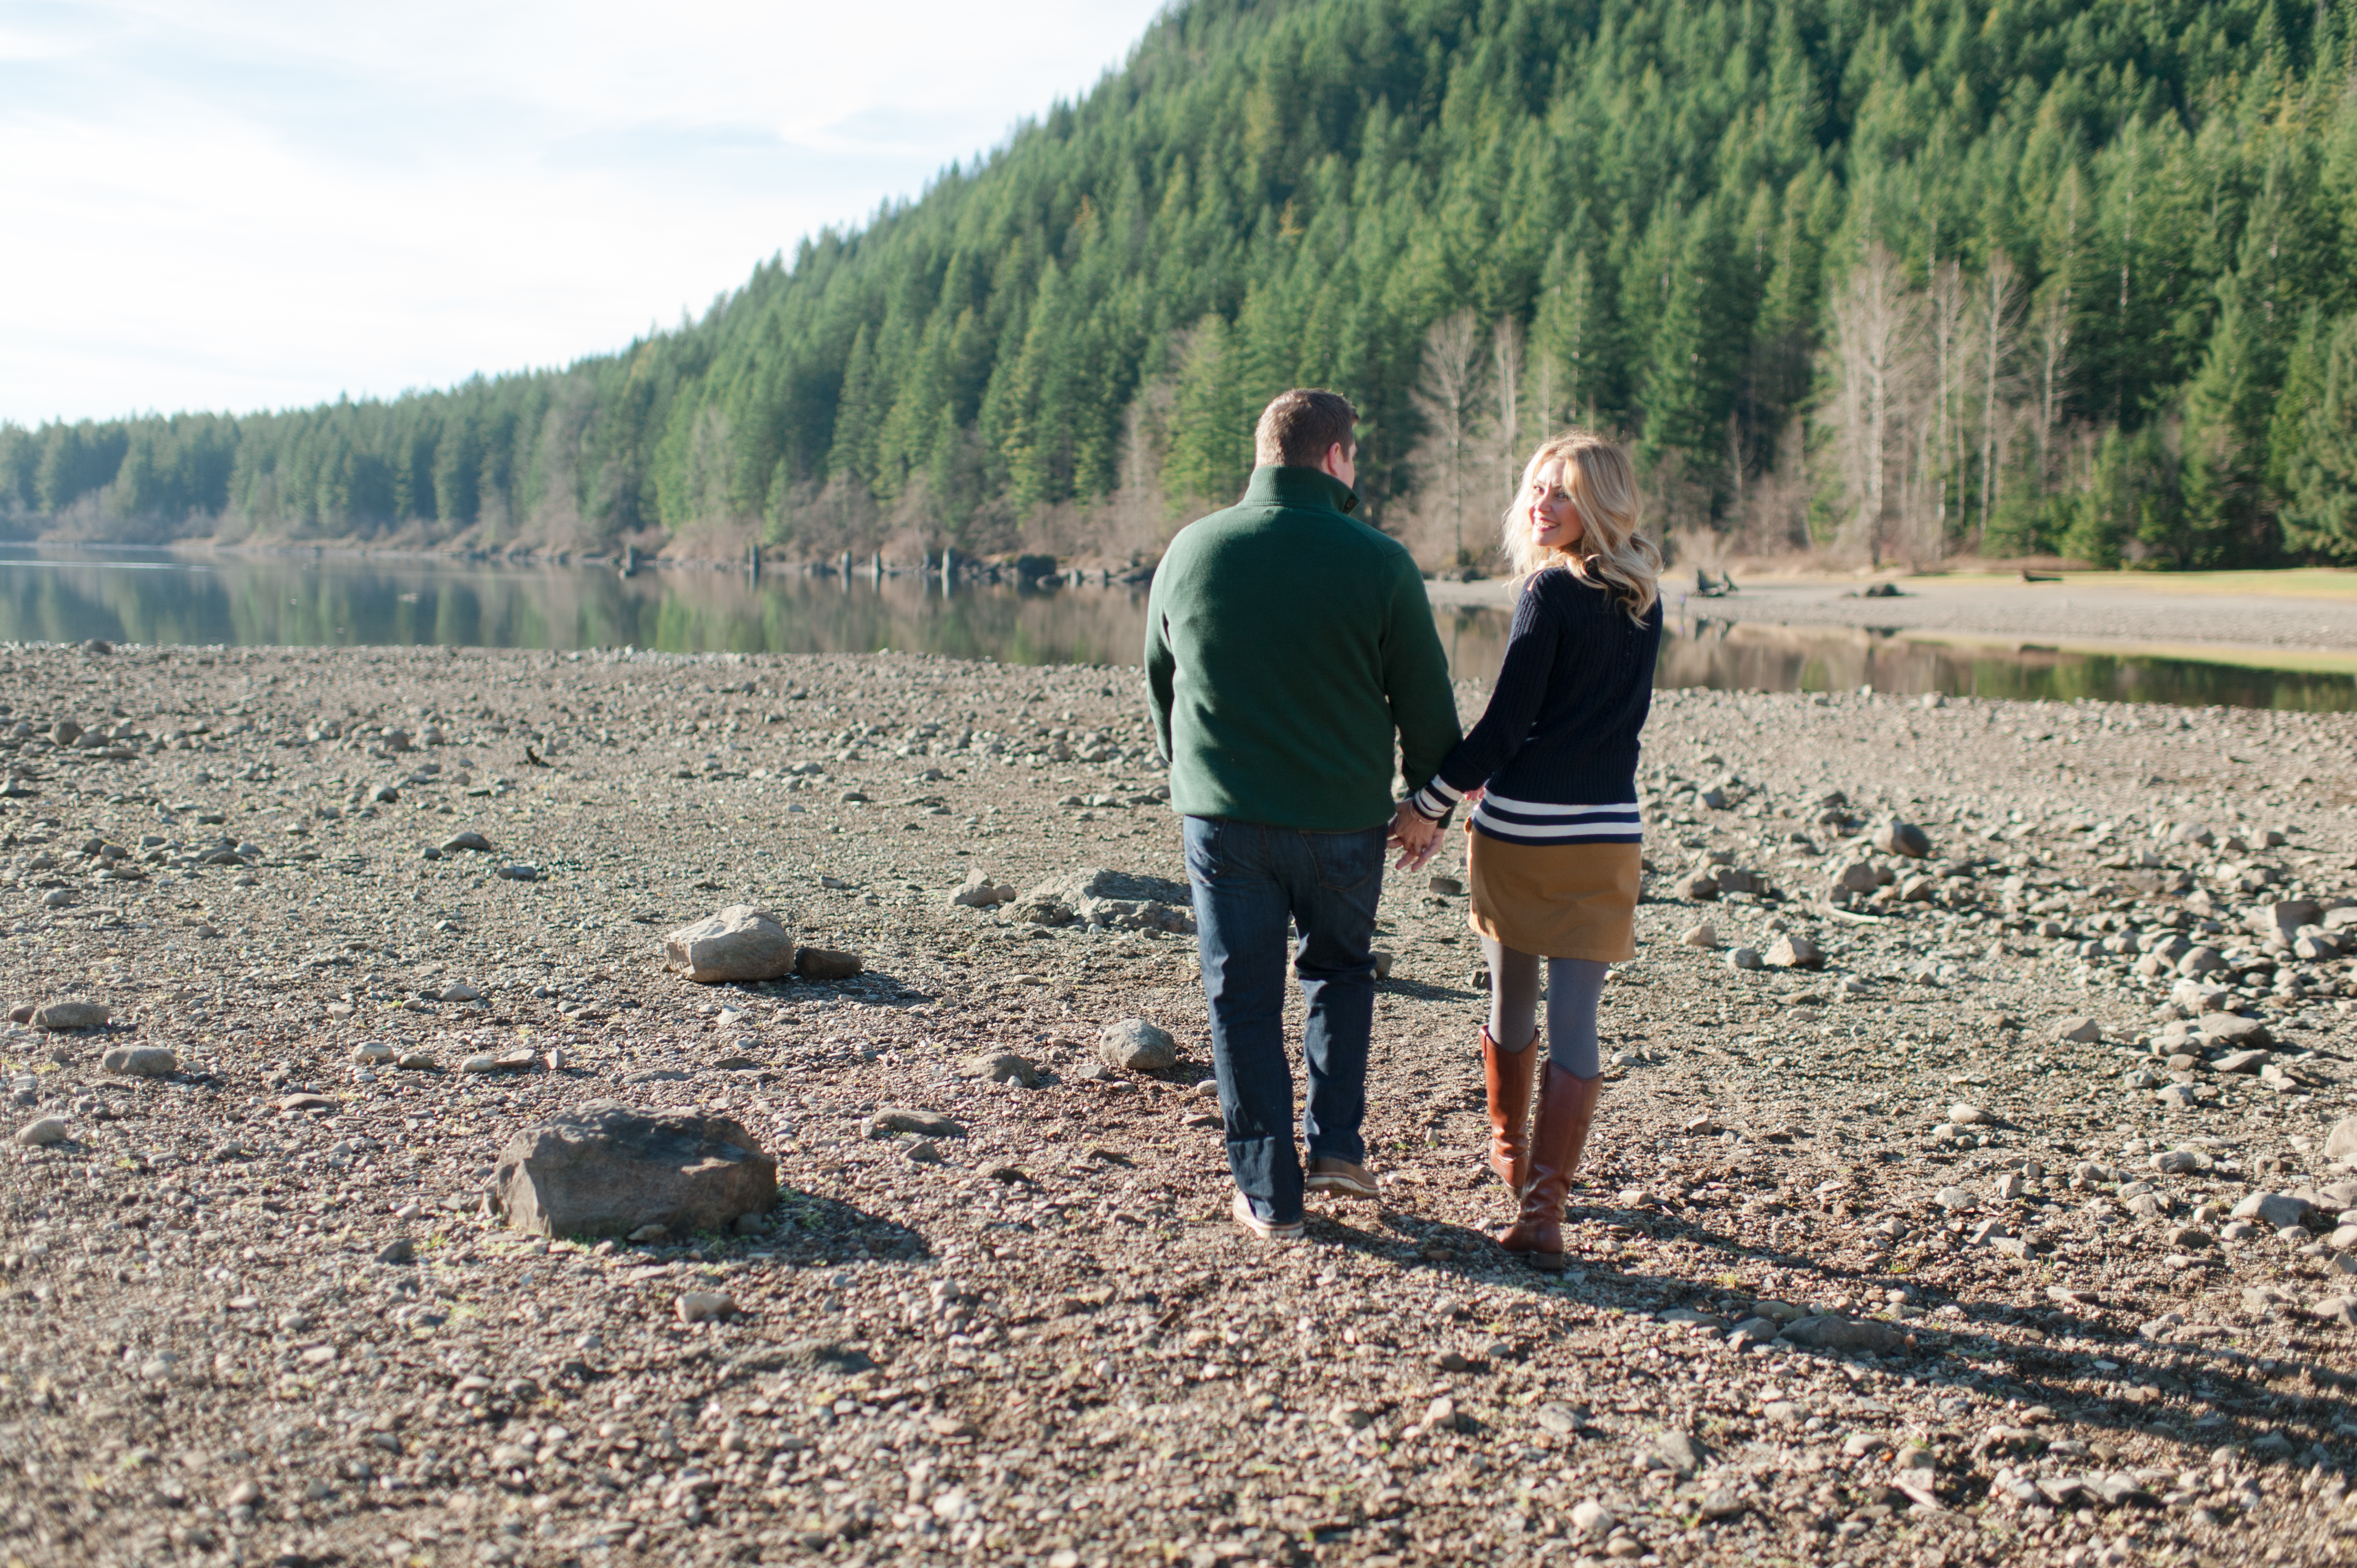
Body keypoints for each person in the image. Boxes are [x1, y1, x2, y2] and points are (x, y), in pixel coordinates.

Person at [1146, 388, 1462, 1243]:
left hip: (1225, 818)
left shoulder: (1191, 549)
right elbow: (1426, 705)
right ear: (1335, 457)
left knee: (1241, 994)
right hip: (1343, 824)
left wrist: (1194, 778)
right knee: (1340, 971)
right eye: (1353, 458)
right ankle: (1337, 1149)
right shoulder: (1381, 560)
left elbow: (1161, 680)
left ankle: (1268, 1194)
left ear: (1262, 454)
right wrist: (1428, 807)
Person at [1393, 430, 1663, 1270]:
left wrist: (1426, 805)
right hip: (1609, 836)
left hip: (1522, 833)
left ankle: (1514, 1160)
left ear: (1600, 507)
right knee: (1577, 1022)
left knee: (1514, 1004)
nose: (1542, 506)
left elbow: (1506, 730)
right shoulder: (1644, 599)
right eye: (1537, 489)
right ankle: (1543, 1213)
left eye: (1563, 493)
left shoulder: (1549, 593)